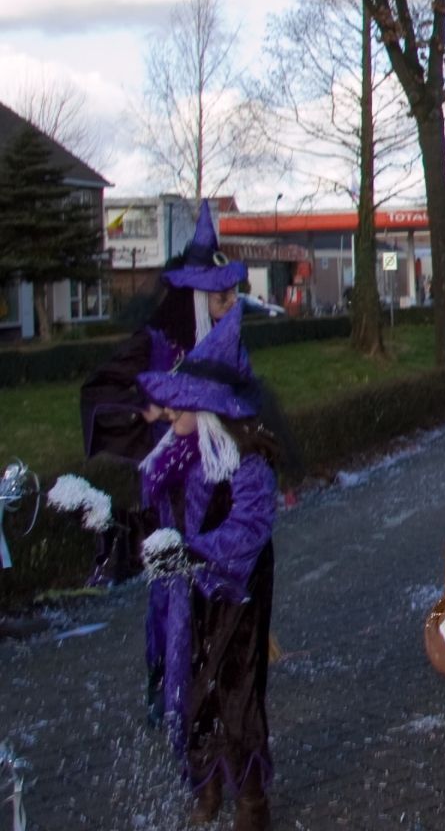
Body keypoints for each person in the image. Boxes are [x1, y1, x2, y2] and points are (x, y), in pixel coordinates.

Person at [137, 303, 278, 830]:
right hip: (189, 597)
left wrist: (194, 552)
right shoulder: (178, 457)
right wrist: (108, 521)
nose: (169, 411)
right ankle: (207, 781)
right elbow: (155, 520)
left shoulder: (246, 462)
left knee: (235, 692)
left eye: (182, 402)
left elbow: (250, 527)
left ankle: (251, 798)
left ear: (212, 408)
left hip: (236, 597)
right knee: (192, 689)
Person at [80, 201, 246, 585]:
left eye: (234, 296)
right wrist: (146, 405)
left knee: (218, 588)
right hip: (172, 486)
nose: (231, 306)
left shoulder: (229, 344)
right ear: (196, 297)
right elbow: (99, 389)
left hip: (221, 485)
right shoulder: (154, 342)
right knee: (176, 586)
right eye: (221, 298)